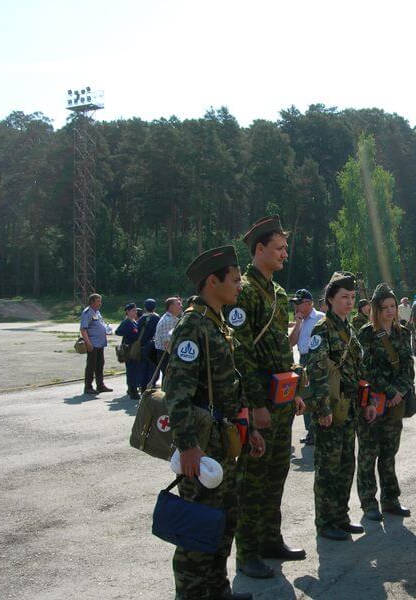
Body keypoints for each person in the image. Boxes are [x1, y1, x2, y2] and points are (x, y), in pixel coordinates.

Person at [165, 244, 263, 600]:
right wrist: (188, 445)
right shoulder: (193, 326)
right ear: (212, 281)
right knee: (196, 531)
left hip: (225, 444)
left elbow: (227, 387)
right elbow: (177, 393)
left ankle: (217, 591)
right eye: (235, 280)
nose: (239, 286)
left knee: (223, 524)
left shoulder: (216, 322)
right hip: (202, 449)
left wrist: (248, 428)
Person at [229, 215, 307, 579]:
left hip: (281, 400)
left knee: (277, 472)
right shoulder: (242, 292)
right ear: (259, 250)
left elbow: (279, 349)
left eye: (285, 248)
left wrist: (293, 394)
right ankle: (247, 553)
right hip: (261, 403)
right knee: (253, 479)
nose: (285, 254)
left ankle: (270, 539)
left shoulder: (275, 293)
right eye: (279, 248)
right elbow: (242, 353)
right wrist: (256, 403)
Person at [306, 271, 376, 540]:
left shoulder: (349, 329)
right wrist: (321, 410)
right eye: (344, 297)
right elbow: (317, 370)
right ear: (330, 299)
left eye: (352, 297)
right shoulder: (322, 329)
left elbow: (359, 370)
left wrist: (366, 401)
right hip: (331, 409)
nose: (349, 302)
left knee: (346, 465)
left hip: (350, 408)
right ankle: (325, 522)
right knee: (328, 468)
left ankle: (340, 516)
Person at [356, 283, 415, 521]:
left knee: (389, 452)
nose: (390, 311)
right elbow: (366, 369)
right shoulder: (366, 334)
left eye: (393, 306)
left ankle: (390, 499)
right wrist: (389, 391)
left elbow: (408, 367)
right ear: (376, 310)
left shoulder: (404, 333)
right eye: (385, 307)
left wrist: (399, 392)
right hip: (372, 401)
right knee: (369, 453)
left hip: (395, 402)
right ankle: (368, 502)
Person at [288, 288, 324, 446]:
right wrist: (297, 324)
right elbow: (291, 343)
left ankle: (318, 430)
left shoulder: (320, 318)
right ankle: (310, 431)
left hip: (316, 360)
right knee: (304, 395)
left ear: (309, 303)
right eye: (295, 303)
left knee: (317, 394)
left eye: (299, 303)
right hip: (302, 360)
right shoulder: (299, 320)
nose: (296, 306)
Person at [79, 293, 112, 395]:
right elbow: (83, 329)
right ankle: (88, 387)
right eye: (98, 301)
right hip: (93, 344)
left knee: (100, 365)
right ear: (92, 302)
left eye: (100, 301)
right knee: (91, 366)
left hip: (100, 344)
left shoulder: (97, 312)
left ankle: (100, 385)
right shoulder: (87, 312)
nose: (100, 303)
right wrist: (88, 343)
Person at [154, 296, 183, 384]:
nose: (181, 306)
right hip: (166, 354)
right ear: (170, 307)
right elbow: (168, 344)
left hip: (166, 353)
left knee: (168, 378)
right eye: (178, 304)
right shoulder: (168, 320)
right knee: (169, 379)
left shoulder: (173, 319)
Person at [115, 302, 141, 399]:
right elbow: (118, 331)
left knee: (134, 369)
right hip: (129, 349)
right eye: (133, 310)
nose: (136, 312)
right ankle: (132, 390)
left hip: (134, 349)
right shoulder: (127, 322)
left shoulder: (134, 321)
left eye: (136, 310)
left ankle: (132, 388)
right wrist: (129, 334)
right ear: (128, 311)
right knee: (131, 370)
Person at [137, 298, 160, 392]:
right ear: (155, 308)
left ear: (145, 307)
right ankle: (151, 387)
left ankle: (143, 387)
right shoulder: (157, 318)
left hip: (142, 346)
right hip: (153, 346)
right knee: (153, 368)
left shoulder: (141, 318)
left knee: (143, 368)